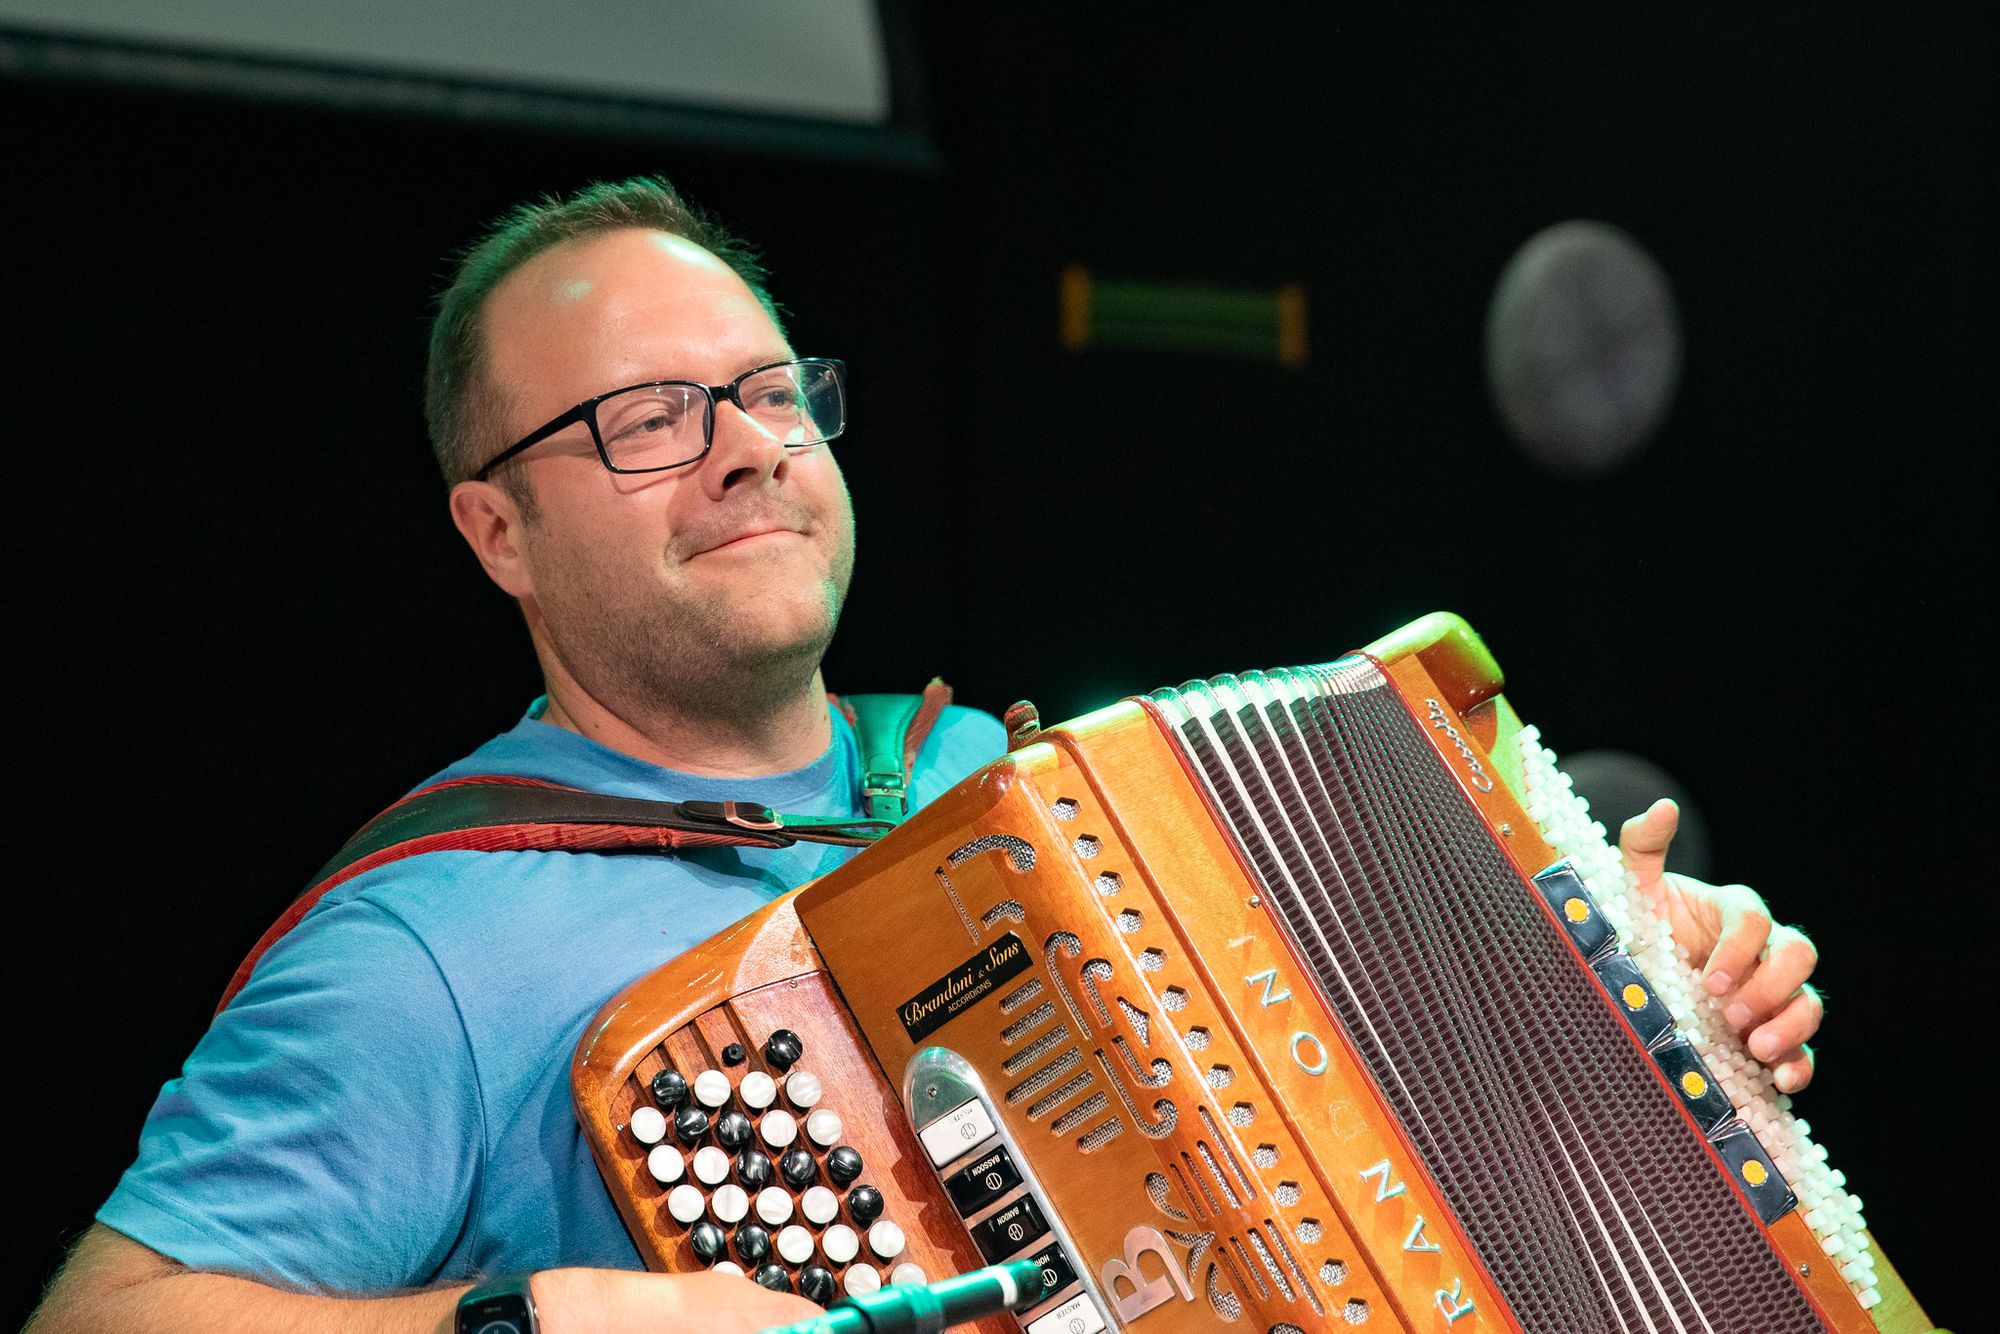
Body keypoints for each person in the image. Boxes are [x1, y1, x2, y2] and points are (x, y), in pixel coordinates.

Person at [27, 177, 1825, 1334]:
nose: (743, 448)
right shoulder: (431, 944)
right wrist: (533, 1322)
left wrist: (1630, 1015)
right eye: (645, 418)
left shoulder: (992, 787)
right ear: (496, 533)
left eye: (766, 391)